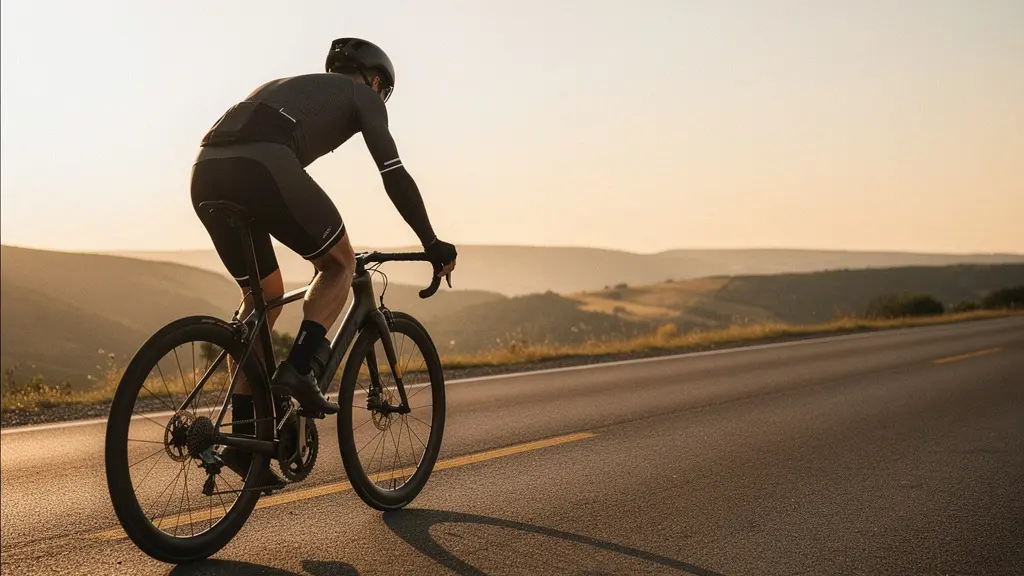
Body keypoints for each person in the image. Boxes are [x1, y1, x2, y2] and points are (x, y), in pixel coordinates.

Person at [190, 38, 457, 483]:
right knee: (339, 265)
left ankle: (243, 439)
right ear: (375, 82)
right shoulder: (362, 96)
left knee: (263, 297)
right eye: (382, 92)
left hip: (205, 170)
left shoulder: (292, 86)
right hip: (262, 164)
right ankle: (299, 369)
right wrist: (431, 242)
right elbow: (393, 173)